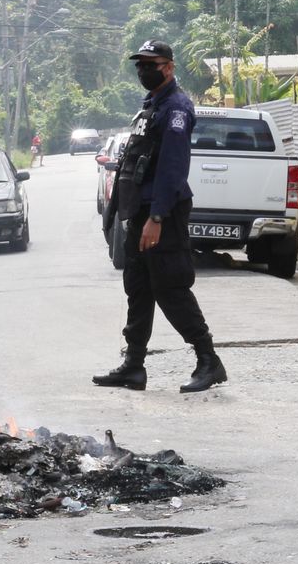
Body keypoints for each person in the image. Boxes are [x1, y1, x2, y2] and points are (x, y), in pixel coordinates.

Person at [93, 40, 227, 394]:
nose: (143, 71)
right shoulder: (150, 106)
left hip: (161, 215)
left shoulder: (177, 108)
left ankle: (208, 360)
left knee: (171, 288)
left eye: (150, 64)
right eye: (139, 64)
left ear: (168, 66)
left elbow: (172, 168)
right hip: (141, 213)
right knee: (138, 290)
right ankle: (133, 366)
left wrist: (157, 217)